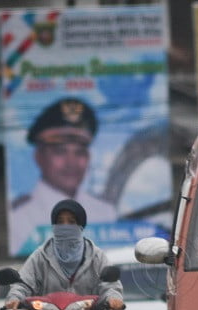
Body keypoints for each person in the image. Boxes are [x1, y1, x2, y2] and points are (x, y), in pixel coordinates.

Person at [10, 97, 118, 255]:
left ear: (88, 158)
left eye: (79, 152)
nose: (71, 163)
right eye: (60, 152)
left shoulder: (105, 211)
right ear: (39, 156)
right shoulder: (19, 217)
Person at [5, 199, 124, 310]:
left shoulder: (96, 256)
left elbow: (109, 285)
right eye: (60, 222)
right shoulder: (40, 256)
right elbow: (23, 283)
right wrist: (15, 298)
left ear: (81, 226)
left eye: (72, 222)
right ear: (54, 226)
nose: (65, 226)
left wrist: (113, 299)